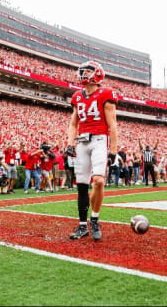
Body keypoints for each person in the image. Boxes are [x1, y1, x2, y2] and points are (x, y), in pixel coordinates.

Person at [67, 60, 118, 241]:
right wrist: (69, 143)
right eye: (83, 72)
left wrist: (113, 150)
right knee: (81, 185)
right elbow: (74, 123)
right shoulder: (77, 96)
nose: (84, 75)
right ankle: (82, 226)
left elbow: (112, 125)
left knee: (98, 181)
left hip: (99, 140)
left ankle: (94, 219)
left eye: (88, 72)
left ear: (97, 74)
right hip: (82, 141)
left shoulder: (106, 94)